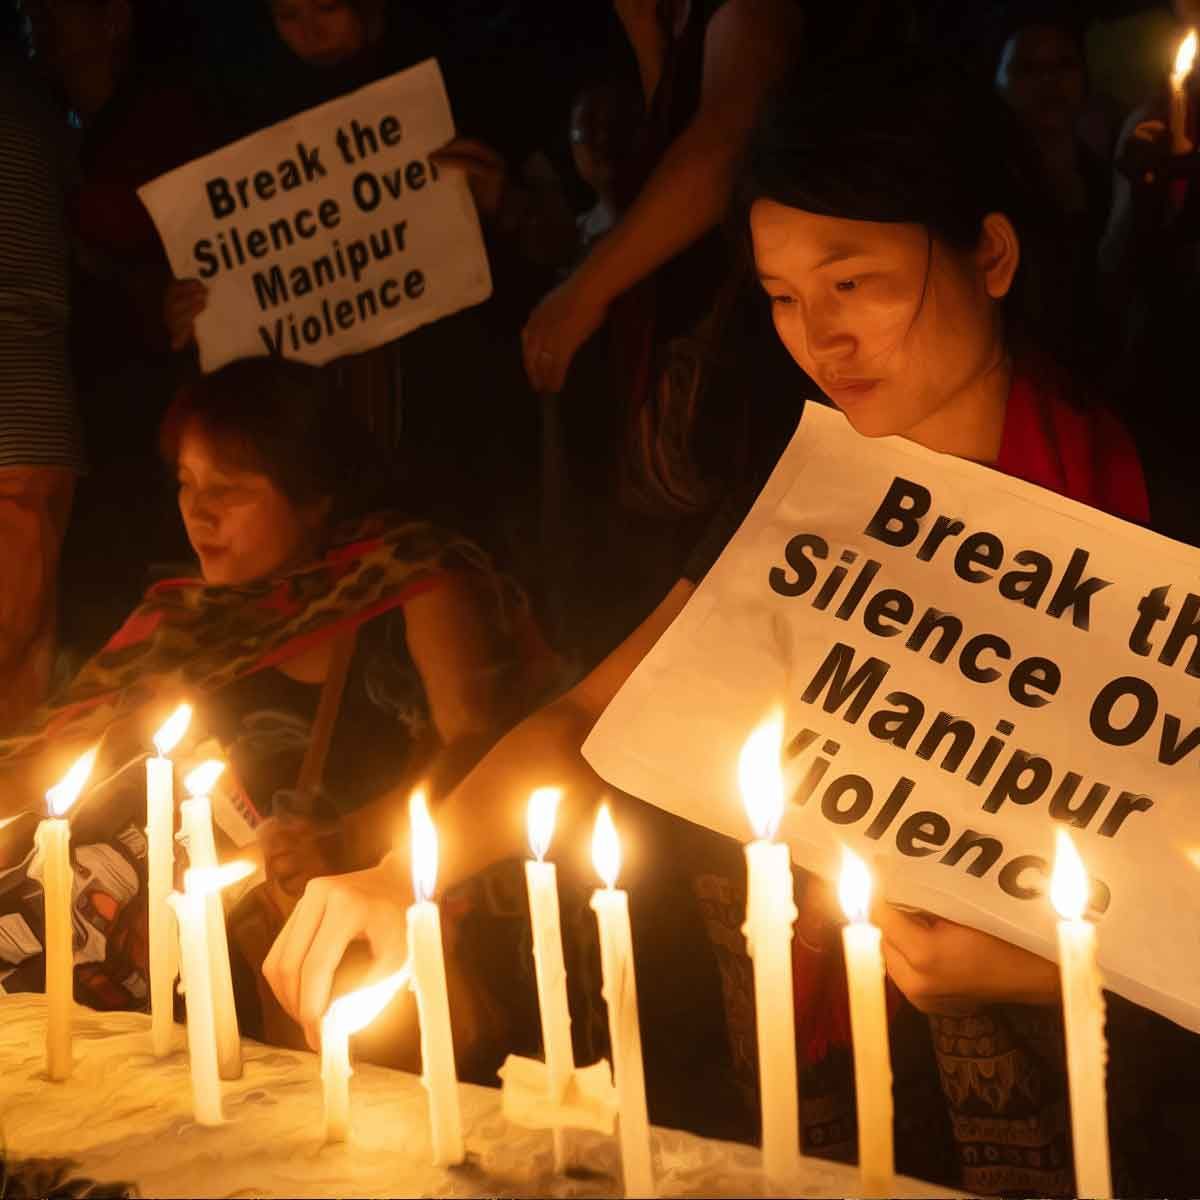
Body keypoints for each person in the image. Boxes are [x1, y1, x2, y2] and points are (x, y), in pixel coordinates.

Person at [262, 57, 1200, 1194]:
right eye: (784, 298)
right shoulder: (800, 507)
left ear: (991, 257)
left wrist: (1056, 963)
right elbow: (594, 719)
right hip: (829, 1097)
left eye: (855, 283)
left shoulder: (1155, 514)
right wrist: (403, 874)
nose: (822, 338)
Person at [0, 357, 558, 1061]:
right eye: (187, 485)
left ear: (314, 495)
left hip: (378, 908)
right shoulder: (183, 621)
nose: (199, 514)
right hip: (219, 939)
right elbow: (63, 751)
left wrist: (348, 840)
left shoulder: (410, 580)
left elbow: (476, 748)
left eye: (229, 491)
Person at [0, 47, 85, 731]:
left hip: (13, 428)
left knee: (12, 655)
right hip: (35, 420)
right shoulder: (30, 105)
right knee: (20, 657)